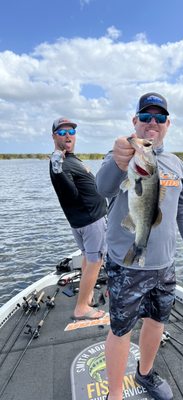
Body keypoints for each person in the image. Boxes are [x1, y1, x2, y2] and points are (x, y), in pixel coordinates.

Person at [96, 93, 183, 400]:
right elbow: (103, 188)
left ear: (168, 124)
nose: (151, 124)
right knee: (120, 330)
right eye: (145, 117)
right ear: (135, 122)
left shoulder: (176, 165)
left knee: (157, 321)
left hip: (164, 266)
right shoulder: (119, 157)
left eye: (159, 118)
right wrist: (119, 161)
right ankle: (115, 393)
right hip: (125, 265)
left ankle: (145, 373)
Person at [50, 117, 107, 320]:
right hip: (90, 221)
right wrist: (57, 164)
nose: (68, 135)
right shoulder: (60, 162)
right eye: (62, 131)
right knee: (95, 262)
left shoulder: (70, 159)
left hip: (83, 221)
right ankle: (81, 307)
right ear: (54, 136)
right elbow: (69, 193)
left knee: (87, 259)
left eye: (71, 132)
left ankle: (87, 293)